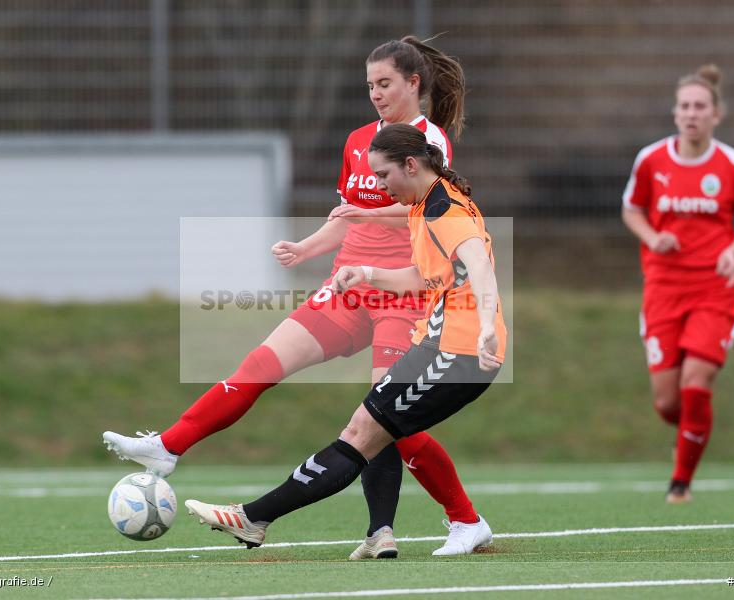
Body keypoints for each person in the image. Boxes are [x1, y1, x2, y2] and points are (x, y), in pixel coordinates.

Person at [103, 36, 494, 557]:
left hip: (402, 294)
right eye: (370, 85)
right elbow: (344, 216)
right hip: (347, 288)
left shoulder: (430, 142)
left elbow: (427, 207)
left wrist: (366, 217)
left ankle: (452, 522)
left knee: (388, 420)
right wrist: (304, 247)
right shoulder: (358, 140)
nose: (375, 94)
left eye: (385, 83)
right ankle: (168, 446)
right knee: (261, 364)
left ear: (413, 84)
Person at [184, 123, 507, 554]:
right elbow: (426, 274)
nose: (378, 185)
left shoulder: (441, 209)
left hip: (458, 352)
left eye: (383, 175)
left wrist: (486, 325)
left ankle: (254, 518)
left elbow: (479, 266)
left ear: (411, 165)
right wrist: (368, 274)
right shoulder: (424, 204)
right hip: (437, 347)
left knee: (360, 434)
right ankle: (258, 518)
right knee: (361, 433)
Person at [621, 64, 734, 503]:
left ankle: (680, 484)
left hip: (715, 289)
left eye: (700, 106)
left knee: (696, 383)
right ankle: (691, 432)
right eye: (685, 106)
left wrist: (732, 251)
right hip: (663, 287)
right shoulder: (651, 159)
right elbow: (632, 210)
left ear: (716, 114)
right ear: (675, 112)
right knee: (668, 403)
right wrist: (652, 237)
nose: (692, 114)